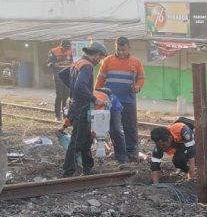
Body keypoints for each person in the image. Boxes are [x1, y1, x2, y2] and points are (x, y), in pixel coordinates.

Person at [60, 41, 109, 177]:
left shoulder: (78, 62)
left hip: (77, 105)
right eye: (101, 58)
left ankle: (87, 167)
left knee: (87, 139)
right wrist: (94, 99)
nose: (100, 61)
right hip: (81, 107)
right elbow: (80, 86)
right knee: (77, 140)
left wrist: (73, 92)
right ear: (97, 55)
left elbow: (62, 74)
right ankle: (68, 170)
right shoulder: (87, 66)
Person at [96, 37, 145, 162]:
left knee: (130, 127)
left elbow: (141, 78)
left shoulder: (136, 62)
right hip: (111, 101)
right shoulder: (107, 61)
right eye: (118, 50)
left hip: (128, 100)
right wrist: (96, 94)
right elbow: (100, 79)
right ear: (115, 47)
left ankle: (131, 152)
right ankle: (119, 153)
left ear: (129, 48)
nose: (121, 52)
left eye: (123, 50)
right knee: (115, 129)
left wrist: (137, 87)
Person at [148, 120, 196, 184]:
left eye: (163, 145)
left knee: (200, 157)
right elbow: (154, 166)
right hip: (181, 145)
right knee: (178, 160)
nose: (162, 147)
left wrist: (192, 175)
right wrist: (156, 185)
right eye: (159, 145)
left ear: (169, 138)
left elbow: (191, 152)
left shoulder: (182, 129)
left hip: (193, 139)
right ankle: (188, 171)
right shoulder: (159, 146)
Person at [47, 40, 73, 121]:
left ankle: (65, 115)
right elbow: (49, 64)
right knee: (59, 95)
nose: (66, 50)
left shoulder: (71, 51)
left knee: (66, 96)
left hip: (67, 76)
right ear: (61, 46)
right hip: (58, 76)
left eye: (68, 48)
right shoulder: (53, 51)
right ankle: (57, 115)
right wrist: (60, 63)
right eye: (65, 48)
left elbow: (73, 61)